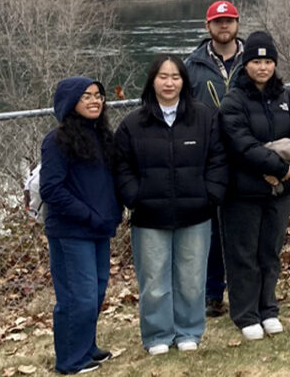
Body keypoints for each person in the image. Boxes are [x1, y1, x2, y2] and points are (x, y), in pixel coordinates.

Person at [114, 56, 227, 354]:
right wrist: (135, 197)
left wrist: (210, 194)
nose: (169, 83)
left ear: (184, 81)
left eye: (175, 77)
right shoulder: (133, 124)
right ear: (152, 81)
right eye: (163, 76)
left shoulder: (204, 118)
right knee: (153, 281)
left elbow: (218, 159)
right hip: (149, 217)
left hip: (196, 214)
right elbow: (121, 166)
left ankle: (189, 331)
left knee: (191, 279)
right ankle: (158, 335)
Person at [219, 31, 290, 340]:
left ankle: (268, 308)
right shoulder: (234, 101)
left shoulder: (289, 97)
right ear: (247, 64)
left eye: (268, 61)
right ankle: (246, 314)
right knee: (243, 254)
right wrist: (277, 166)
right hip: (244, 191)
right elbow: (241, 143)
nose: (263, 67)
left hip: (280, 190)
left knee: (270, 252)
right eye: (257, 61)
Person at [39, 76, 122, 375]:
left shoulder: (102, 136)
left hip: (99, 229)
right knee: (78, 296)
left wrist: (113, 211)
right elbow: (51, 189)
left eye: (98, 95)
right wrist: (88, 215)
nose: (95, 100)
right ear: (70, 102)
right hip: (71, 231)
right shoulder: (57, 141)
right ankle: (70, 360)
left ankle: (86, 347)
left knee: (96, 292)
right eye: (86, 96)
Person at [184, 0, 242, 318]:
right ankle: (212, 294)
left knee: (242, 228)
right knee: (210, 232)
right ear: (208, 27)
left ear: (237, 24)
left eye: (229, 20)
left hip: (247, 156)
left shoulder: (254, 59)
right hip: (207, 158)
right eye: (218, 22)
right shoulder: (191, 65)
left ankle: (245, 289)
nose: (224, 26)